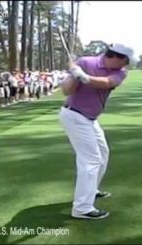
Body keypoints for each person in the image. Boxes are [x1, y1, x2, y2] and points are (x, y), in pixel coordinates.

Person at [58, 43, 133, 220]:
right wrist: (74, 75)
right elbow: (65, 91)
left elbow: (106, 83)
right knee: (90, 160)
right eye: (125, 62)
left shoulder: (120, 72)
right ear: (116, 57)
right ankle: (82, 208)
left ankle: (92, 189)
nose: (125, 66)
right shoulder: (85, 62)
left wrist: (83, 76)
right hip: (75, 115)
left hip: (91, 119)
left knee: (103, 153)